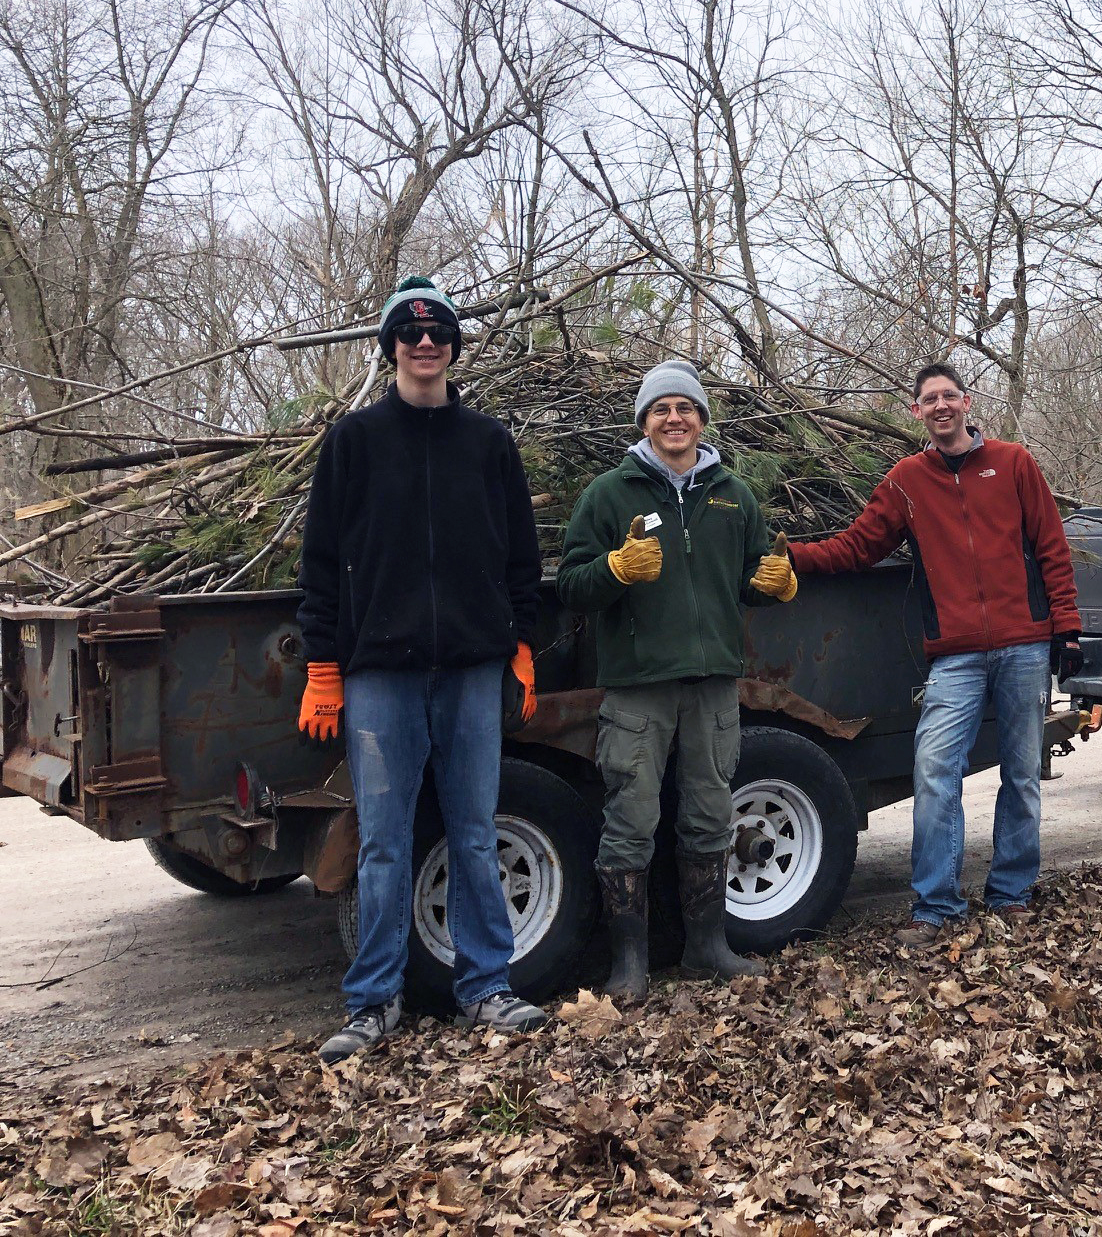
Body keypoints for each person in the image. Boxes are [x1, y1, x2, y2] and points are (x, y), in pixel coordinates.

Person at [297, 275, 548, 1064]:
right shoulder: (354, 443)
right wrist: (324, 666)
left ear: (453, 344)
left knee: (475, 835)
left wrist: (522, 641)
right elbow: (322, 562)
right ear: (391, 348)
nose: (425, 342)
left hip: (474, 669)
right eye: (410, 334)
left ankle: (487, 988)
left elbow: (521, 556)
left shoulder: (488, 443)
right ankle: (373, 1002)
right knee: (383, 843)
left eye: (438, 330)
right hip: (380, 676)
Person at [788, 362, 1081, 946]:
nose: (941, 405)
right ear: (917, 412)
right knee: (935, 772)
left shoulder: (1014, 463)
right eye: (930, 399)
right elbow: (858, 546)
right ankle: (937, 904)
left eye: (950, 395)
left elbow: (1051, 546)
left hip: (1024, 645)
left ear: (967, 403)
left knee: (1023, 774)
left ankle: (1012, 891)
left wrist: (1065, 628)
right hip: (956, 656)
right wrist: (792, 558)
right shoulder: (906, 482)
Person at [557, 359, 797, 1002]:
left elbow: (750, 577)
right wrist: (614, 567)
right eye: (660, 409)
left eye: (685, 407)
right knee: (630, 817)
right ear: (644, 421)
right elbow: (572, 584)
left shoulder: (733, 495)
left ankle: (707, 945)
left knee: (711, 813)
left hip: (714, 682)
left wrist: (775, 586)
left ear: (702, 419)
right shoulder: (610, 495)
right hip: (639, 684)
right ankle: (629, 963)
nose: (674, 418)